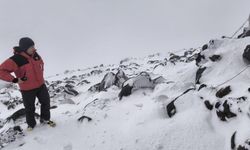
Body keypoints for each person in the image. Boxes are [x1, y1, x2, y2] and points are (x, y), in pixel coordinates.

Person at [0, 37, 56, 130]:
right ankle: (31, 125)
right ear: (25, 48)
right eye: (31, 47)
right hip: (27, 89)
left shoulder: (35, 54)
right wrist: (14, 80)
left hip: (41, 85)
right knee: (29, 108)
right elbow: (1, 70)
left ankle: (45, 119)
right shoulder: (16, 59)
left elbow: (41, 64)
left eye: (33, 46)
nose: (34, 48)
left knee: (46, 102)